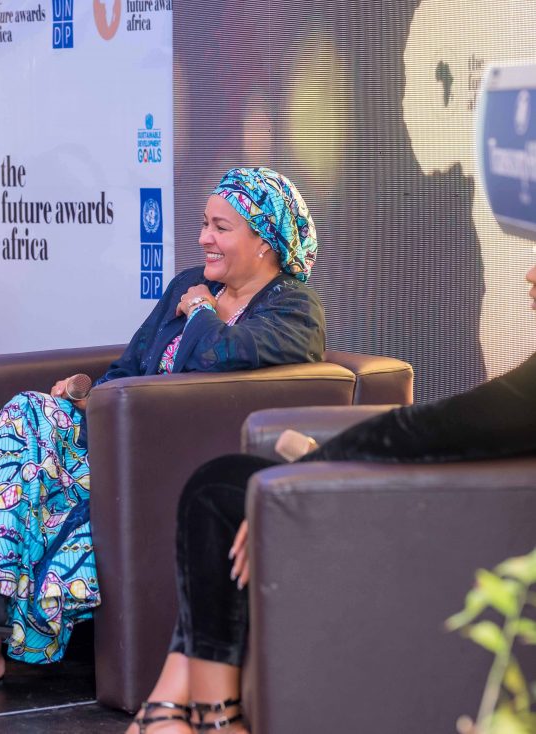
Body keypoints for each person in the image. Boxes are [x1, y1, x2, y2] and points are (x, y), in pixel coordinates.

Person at [0, 167, 324, 694]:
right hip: (121, 444)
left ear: (265, 241)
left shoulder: (292, 307)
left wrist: (201, 311)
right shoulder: (190, 283)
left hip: (178, 466)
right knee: (28, 412)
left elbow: (221, 357)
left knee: (43, 486)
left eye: (221, 227)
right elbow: (131, 367)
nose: (204, 237)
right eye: (204, 223)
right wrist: (86, 391)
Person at [130, 262, 536, 732]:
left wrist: (301, 477)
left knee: (219, 496)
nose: (529, 273)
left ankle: (191, 715)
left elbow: (437, 428)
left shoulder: (290, 304)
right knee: (221, 485)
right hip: (451, 510)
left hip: (451, 528)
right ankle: (181, 713)